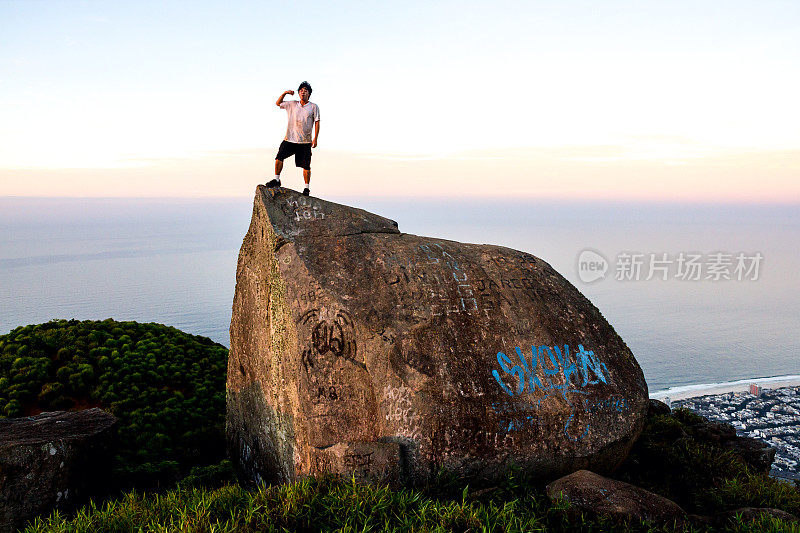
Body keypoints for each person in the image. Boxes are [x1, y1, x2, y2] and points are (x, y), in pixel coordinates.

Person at [265, 81, 320, 196]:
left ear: (309, 94)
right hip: (290, 138)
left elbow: (317, 122)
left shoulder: (313, 107)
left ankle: (306, 188)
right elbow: (278, 103)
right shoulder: (292, 104)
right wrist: (285, 93)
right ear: (298, 93)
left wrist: (315, 138)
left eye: (305, 91)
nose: (303, 92)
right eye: (301, 91)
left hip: (305, 141)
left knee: (306, 165)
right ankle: (276, 180)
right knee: (279, 157)